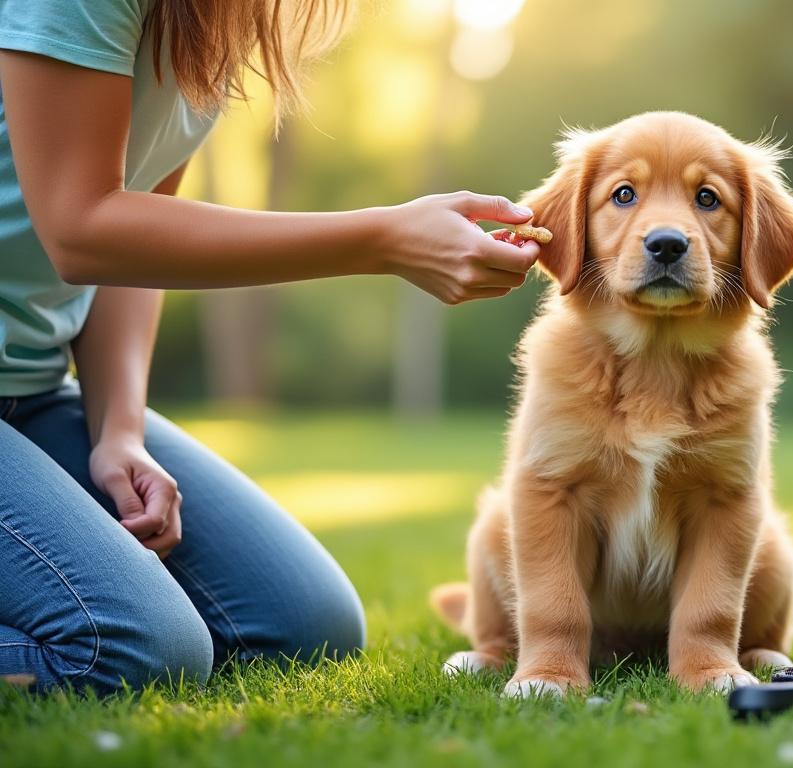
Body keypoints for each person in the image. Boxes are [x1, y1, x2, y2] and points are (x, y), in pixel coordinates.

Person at [0, 0, 541, 693]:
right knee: (133, 650)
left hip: (38, 390)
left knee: (303, 623)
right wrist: (383, 239)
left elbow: (137, 247)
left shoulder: (208, 20)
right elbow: (82, 228)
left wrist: (119, 432)